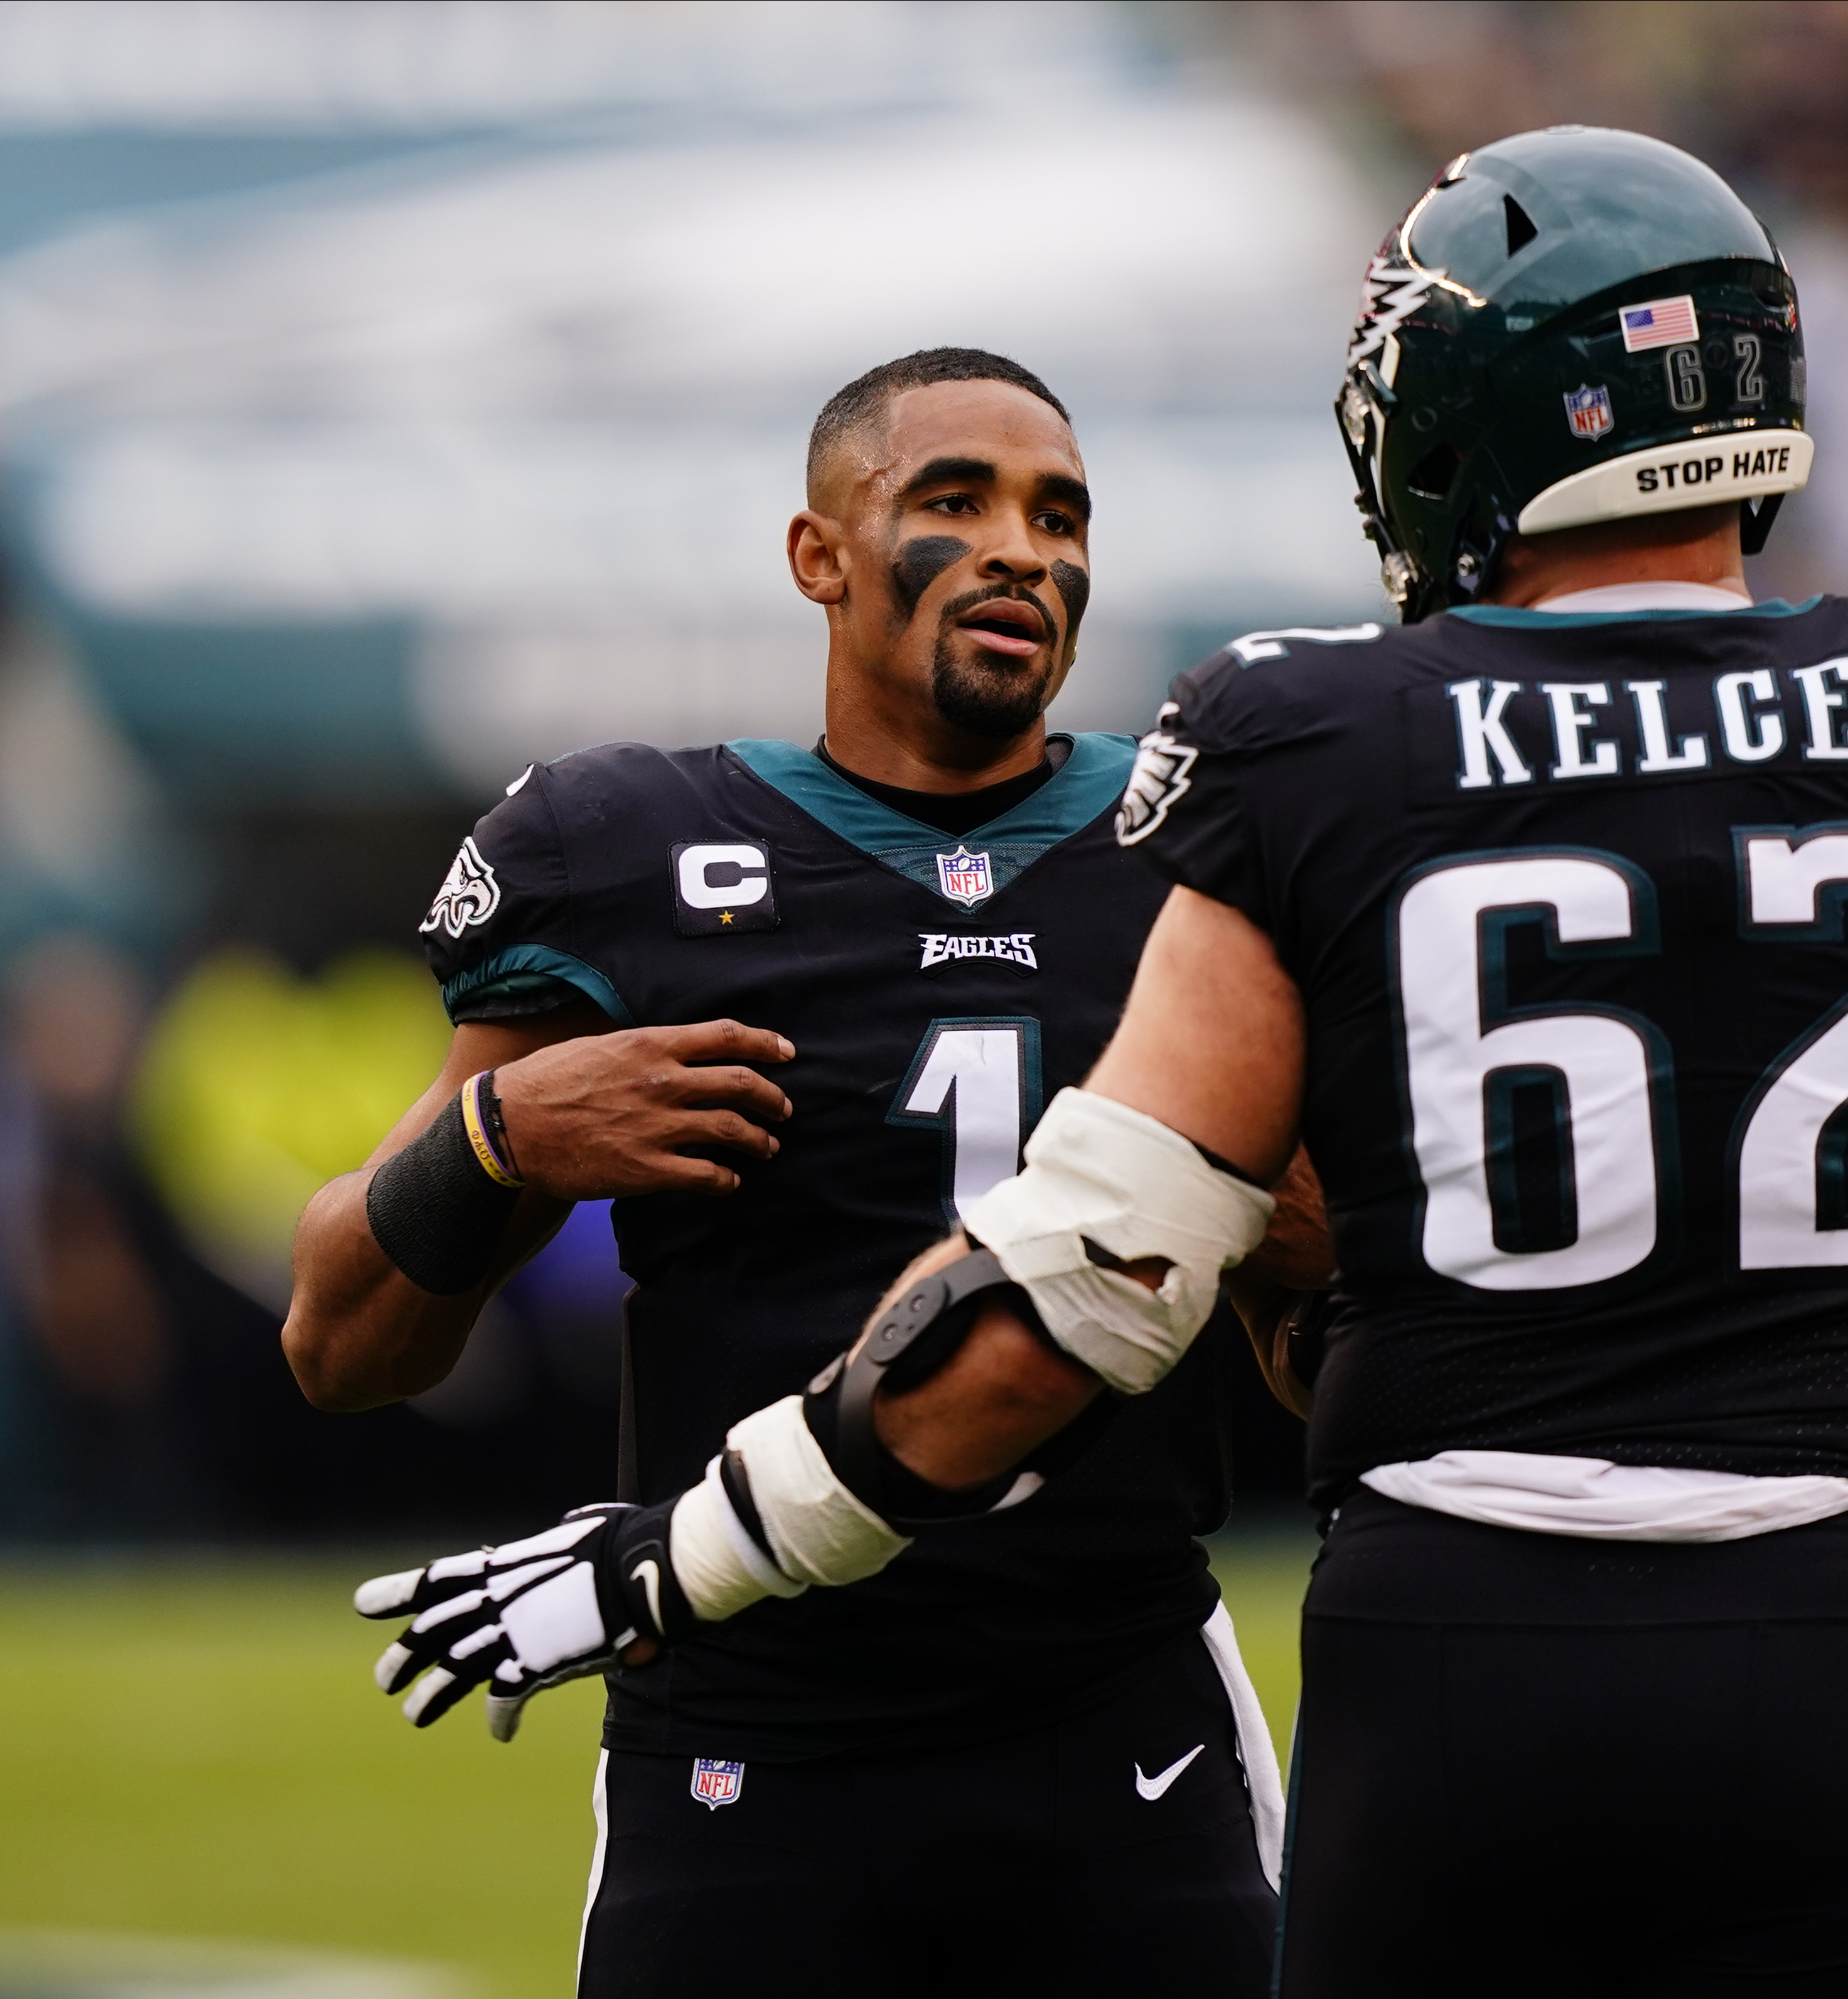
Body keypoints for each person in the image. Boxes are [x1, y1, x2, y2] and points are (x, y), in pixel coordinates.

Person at [362, 134, 1848, 1995]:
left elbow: (1079, 1279)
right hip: (1836, 1618)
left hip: (1445, 1635)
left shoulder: (1320, 737)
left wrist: (681, 1553)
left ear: (1464, 413)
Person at [288, 348, 1289, 1996]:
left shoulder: (1196, 834)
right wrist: (504, 1137)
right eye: (951, 501)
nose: (1020, 551)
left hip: (1118, 1710)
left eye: (1059, 514)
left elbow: (1308, 1309)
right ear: (819, 553)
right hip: (749, 1722)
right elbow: (341, 1342)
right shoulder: (620, 850)